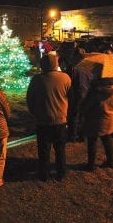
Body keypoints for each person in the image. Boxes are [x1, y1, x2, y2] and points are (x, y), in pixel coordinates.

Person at [26, 54, 71, 182]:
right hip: (60, 120)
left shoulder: (37, 80)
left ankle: (43, 174)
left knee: (44, 150)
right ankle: (61, 172)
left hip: (43, 121)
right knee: (60, 149)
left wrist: (35, 113)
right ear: (56, 64)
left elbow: (30, 99)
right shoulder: (65, 78)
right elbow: (71, 97)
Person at [81, 78, 113, 172]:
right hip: (109, 119)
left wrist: (82, 109)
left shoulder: (97, 91)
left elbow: (87, 107)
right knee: (107, 139)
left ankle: (90, 165)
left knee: (92, 141)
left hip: (95, 119)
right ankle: (110, 161)